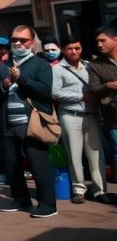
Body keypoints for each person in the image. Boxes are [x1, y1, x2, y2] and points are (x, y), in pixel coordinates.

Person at [0, 25, 57, 218]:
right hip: (7, 121)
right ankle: (20, 198)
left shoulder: (40, 65)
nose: (17, 43)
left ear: (32, 43)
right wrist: (3, 85)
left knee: (38, 163)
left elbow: (44, 91)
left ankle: (48, 204)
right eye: (14, 39)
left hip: (31, 121)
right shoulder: (1, 66)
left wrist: (21, 79)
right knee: (12, 163)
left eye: (22, 40)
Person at [53, 38, 107, 204]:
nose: (74, 52)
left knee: (96, 154)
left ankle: (100, 190)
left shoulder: (90, 66)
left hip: (92, 115)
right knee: (74, 155)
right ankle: (78, 189)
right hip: (70, 115)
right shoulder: (57, 69)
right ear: (63, 50)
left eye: (77, 48)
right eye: (70, 48)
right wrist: (80, 96)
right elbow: (54, 93)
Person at [88, 25, 117, 195]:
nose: (99, 44)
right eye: (97, 41)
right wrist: (108, 85)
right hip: (113, 117)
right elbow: (94, 89)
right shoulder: (95, 64)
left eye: (102, 40)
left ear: (114, 39)